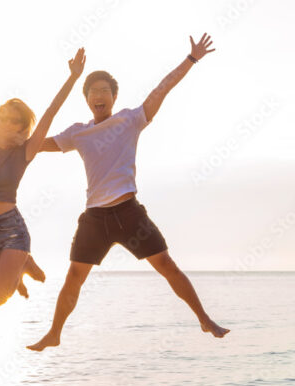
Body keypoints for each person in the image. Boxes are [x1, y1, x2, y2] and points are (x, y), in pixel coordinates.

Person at [28, 33, 229, 351]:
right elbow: (35, 145)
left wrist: (190, 59)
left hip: (128, 212)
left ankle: (204, 318)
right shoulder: (77, 133)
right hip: (95, 218)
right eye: (93, 92)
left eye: (104, 91)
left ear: (113, 96)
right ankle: (54, 333)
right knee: (74, 277)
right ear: (87, 99)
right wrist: (2, 140)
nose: (99, 95)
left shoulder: (130, 120)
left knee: (167, 265)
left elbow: (161, 90)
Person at [0, 27, 85, 305]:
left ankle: (19, 262)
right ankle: (16, 267)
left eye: (15, 120)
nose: (6, 122)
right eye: (3, 116)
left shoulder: (24, 152)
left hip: (12, 230)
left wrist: (73, 77)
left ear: (22, 127)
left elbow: (50, 113)